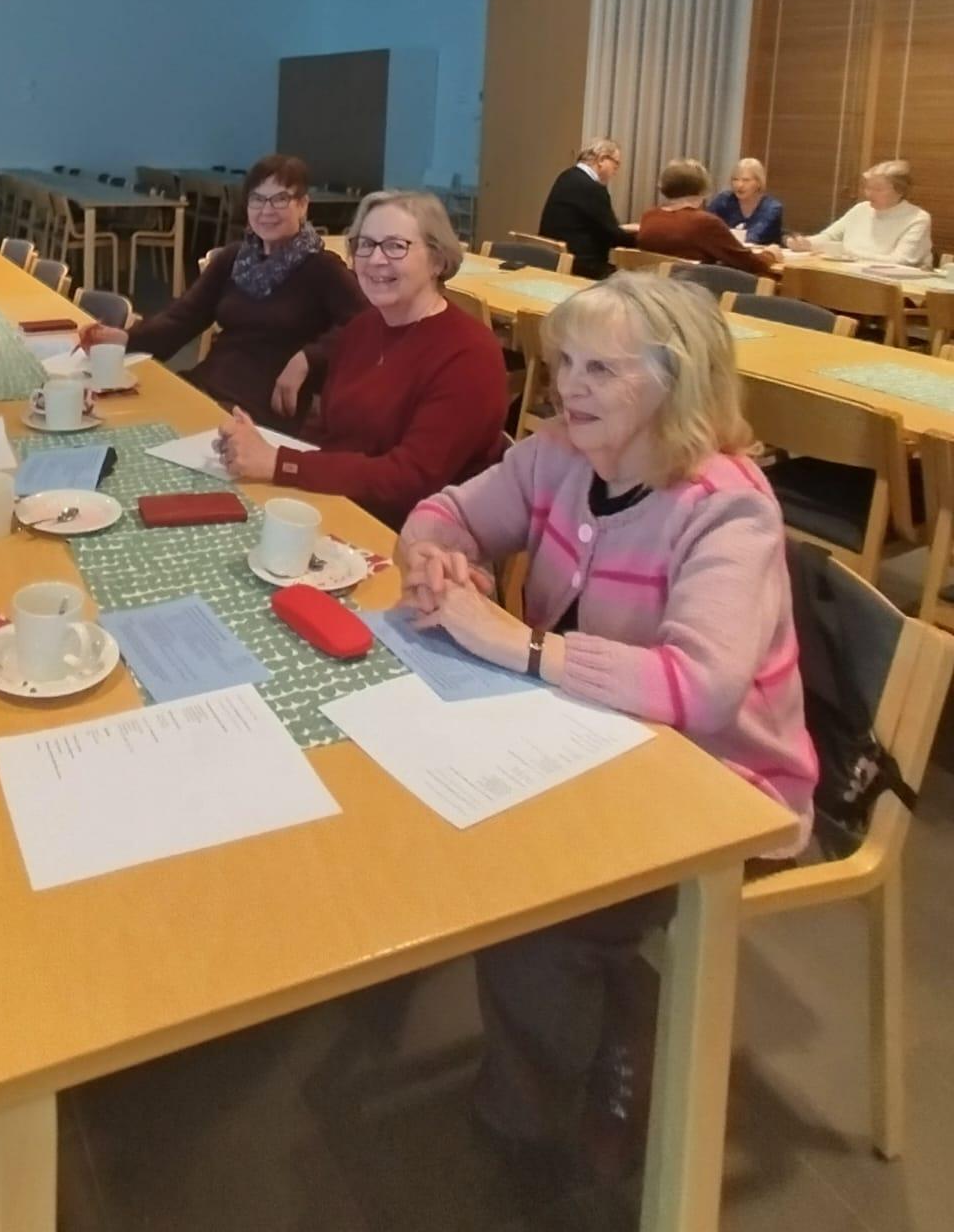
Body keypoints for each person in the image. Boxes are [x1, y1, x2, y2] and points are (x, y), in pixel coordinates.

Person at [396, 274, 813, 1176]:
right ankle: (592, 1019)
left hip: (721, 781)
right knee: (429, 802)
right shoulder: (558, 454)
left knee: (536, 891)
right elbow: (445, 511)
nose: (567, 388)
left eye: (601, 370)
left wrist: (517, 646)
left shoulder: (726, 505)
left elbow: (702, 689)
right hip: (589, 733)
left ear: (676, 382)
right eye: (564, 364)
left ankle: (540, 1118)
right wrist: (435, 558)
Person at [215, 190, 508, 529]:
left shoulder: (470, 354)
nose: (375, 259)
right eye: (365, 245)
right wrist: (264, 449)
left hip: (420, 537)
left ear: (438, 261)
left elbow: (410, 480)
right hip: (343, 506)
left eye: (395, 246)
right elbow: (331, 434)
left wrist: (280, 463)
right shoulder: (362, 329)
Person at [83, 154, 366, 427]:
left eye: (280, 199)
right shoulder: (234, 258)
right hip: (210, 385)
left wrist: (308, 359)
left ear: (303, 205)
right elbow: (183, 318)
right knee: (122, 413)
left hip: (259, 406)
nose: (266, 210)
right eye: (257, 199)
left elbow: (367, 324)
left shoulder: (322, 268)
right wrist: (126, 338)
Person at [636, 159, 778, 277]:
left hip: (654, 291)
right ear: (702, 189)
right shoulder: (704, 223)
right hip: (693, 293)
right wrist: (770, 254)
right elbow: (750, 264)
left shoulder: (649, 217)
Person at [786, 159, 933, 269]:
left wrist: (846, 253)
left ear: (900, 191)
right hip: (849, 278)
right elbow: (829, 236)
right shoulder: (861, 209)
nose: (869, 194)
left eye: (878, 189)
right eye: (868, 188)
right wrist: (807, 243)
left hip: (892, 289)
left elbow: (900, 261)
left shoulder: (918, 218)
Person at [537, 139, 633, 279]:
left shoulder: (566, 176)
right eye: (616, 164)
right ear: (601, 159)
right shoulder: (593, 189)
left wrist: (622, 229)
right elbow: (615, 237)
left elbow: (587, 223)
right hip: (582, 269)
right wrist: (645, 238)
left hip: (554, 261)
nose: (616, 171)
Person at [708, 157, 785, 247]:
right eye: (735, 179)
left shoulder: (771, 207)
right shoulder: (724, 200)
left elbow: (754, 236)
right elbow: (706, 225)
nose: (739, 185)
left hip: (759, 253)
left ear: (759, 182)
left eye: (746, 180)